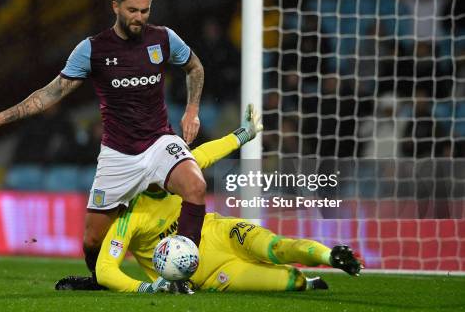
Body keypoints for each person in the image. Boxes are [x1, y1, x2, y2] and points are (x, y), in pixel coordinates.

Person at [0, 0, 206, 286]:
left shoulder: (163, 38)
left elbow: (194, 67)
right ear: (116, 7)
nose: (139, 17)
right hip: (118, 154)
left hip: (159, 141)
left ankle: (183, 276)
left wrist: (192, 110)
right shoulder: (92, 49)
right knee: (92, 240)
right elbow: (51, 93)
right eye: (132, 10)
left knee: (196, 186)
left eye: (145, 11)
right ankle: (99, 280)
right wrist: (2, 118)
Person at [56, 105, 363, 293]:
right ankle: (308, 281)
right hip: (211, 275)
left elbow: (205, 153)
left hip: (224, 234)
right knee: (291, 283)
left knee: (275, 247)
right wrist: (148, 287)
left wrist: (243, 135)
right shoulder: (128, 211)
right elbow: (107, 269)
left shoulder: (176, 173)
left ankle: (330, 256)